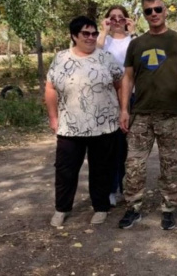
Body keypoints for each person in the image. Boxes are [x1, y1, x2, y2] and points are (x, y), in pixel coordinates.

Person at [45, 16, 123, 227]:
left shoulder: (105, 58)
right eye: (85, 34)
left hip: (104, 126)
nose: (91, 37)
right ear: (74, 36)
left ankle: (100, 207)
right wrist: (53, 117)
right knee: (65, 170)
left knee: (101, 169)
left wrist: (124, 110)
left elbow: (120, 84)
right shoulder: (61, 58)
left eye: (94, 33)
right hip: (70, 127)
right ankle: (62, 209)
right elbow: (50, 87)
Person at [118, 0, 177, 231]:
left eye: (158, 9)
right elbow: (128, 78)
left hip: (171, 114)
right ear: (144, 15)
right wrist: (124, 109)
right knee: (134, 164)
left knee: (170, 165)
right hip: (141, 114)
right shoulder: (136, 44)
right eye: (148, 11)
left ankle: (168, 209)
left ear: (165, 11)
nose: (154, 13)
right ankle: (133, 208)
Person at [97, 5, 136, 207]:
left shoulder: (134, 41)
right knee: (113, 146)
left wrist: (134, 31)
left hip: (132, 97)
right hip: (110, 97)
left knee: (129, 146)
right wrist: (103, 30)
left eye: (121, 18)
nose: (117, 21)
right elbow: (95, 55)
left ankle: (127, 188)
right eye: (112, 18)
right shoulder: (104, 41)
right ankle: (112, 188)